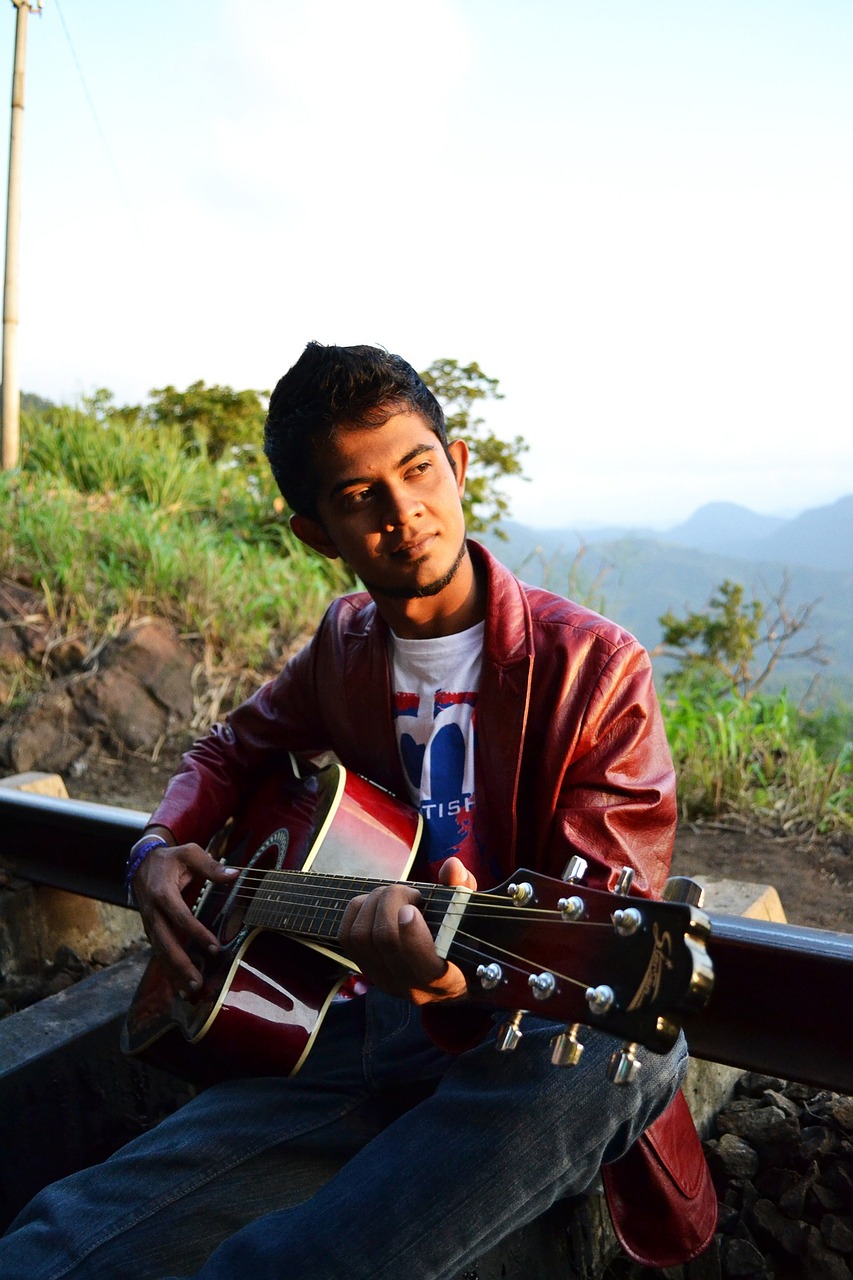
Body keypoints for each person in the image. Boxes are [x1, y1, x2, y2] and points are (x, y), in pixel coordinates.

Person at [0, 343, 715, 1279]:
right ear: (314, 532)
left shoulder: (593, 667)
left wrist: (450, 985)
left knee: (631, 1055)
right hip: (346, 1023)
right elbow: (228, 748)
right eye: (357, 496)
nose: (403, 514)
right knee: (62, 1238)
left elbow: (597, 931)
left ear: (457, 468)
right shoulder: (343, 643)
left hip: (513, 1037)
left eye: (417, 470)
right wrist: (159, 846)